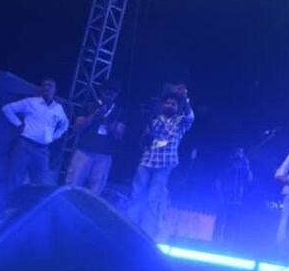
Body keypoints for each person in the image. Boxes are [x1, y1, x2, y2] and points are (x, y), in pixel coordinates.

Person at [126, 85, 194, 239]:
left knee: (153, 198)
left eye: (173, 104)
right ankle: (129, 225)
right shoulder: (154, 120)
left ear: (177, 107)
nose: (169, 106)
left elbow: (190, 117)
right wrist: (145, 136)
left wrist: (185, 99)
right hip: (147, 160)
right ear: (163, 105)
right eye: (167, 103)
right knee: (136, 194)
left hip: (165, 163)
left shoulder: (180, 122)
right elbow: (143, 142)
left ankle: (146, 232)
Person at [2, 77, 69, 192]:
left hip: (43, 150)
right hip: (25, 145)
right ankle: (12, 203)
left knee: (40, 185)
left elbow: (65, 124)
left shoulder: (58, 108)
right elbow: (7, 108)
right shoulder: (30, 102)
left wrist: (53, 136)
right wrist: (18, 124)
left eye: (49, 85)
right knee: (15, 180)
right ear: (40, 89)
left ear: (55, 90)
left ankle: (32, 204)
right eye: (44, 85)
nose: (46, 87)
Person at [64, 80, 126, 197]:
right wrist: (94, 115)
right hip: (84, 151)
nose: (109, 93)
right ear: (101, 91)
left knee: (96, 189)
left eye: (113, 92)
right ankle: (67, 205)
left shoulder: (119, 111)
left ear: (117, 94)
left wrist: (114, 128)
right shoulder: (88, 106)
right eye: (107, 90)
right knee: (72, 184)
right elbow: (77, 128)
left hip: (105, 154)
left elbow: (119, 136)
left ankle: (89, 208)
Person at [214, 147, 253, 244]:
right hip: (225, 198)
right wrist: (220, 195)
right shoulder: (227, 162)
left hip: (237, 201)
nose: (241, 154)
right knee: (221, 221)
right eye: (239, 152)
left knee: (232, 223)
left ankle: (228, 243)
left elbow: (250, 180)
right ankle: (216, 241)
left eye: (242, 152)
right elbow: (218, 179)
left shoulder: (243, 166)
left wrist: (247, 167)